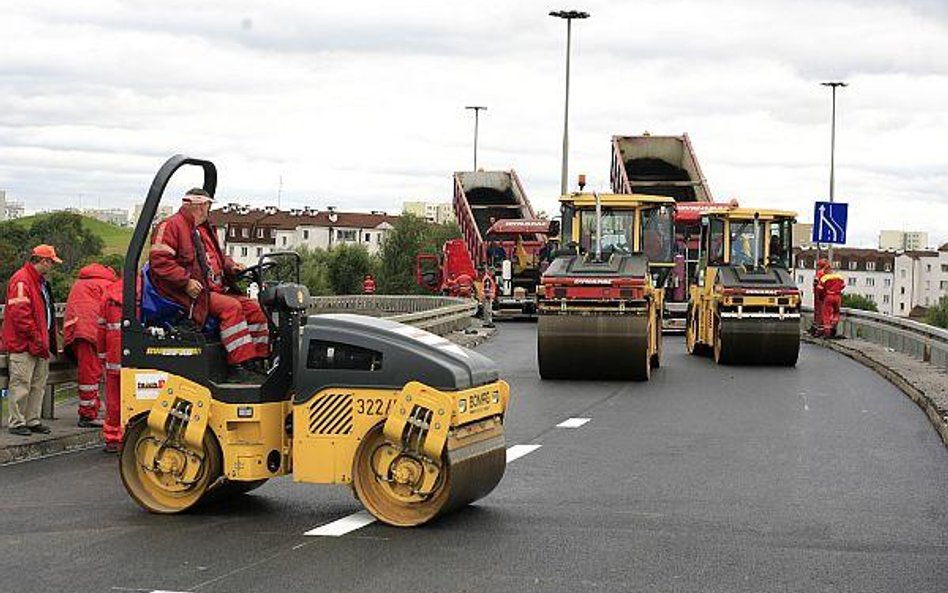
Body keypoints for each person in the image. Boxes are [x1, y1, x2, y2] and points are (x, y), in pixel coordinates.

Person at [148, 188, 268, 375]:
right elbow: (160, 262)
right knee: (231, 307)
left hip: (214, 290)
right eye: (206, 205)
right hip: (188, 293)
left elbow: (216, 257)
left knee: (255, 309)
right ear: (196, 205)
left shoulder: (204, 230)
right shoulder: (171, 226)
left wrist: (231, 266)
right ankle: (238, 364)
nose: (208, 209)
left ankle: (257, 361)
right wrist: (186, 282)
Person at [2, 245, 61, 436]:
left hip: (38, 342)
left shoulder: (37, 281)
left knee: (37, 384)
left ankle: (32, 419)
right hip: (25, 344)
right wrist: (36, 338)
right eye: (51, 262)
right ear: (44, 261)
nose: (52, 266)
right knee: (21, 383)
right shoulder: (22, 280)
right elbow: (21, 315)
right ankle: (17, 422)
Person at [64, 263, 117, 428]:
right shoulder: (106, 284)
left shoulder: (82, 282)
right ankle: (88, 414)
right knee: (91, 374)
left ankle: (91, 409)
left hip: (77, 330)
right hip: (91, 332)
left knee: (88, 373)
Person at [97, 278, 124, 452]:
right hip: (139, 357)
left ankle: (113, 438)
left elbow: (101, 329)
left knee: (113, 400)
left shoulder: (109, 293)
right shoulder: (146, 290)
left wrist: (102, 357)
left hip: (114, 356)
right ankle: (130, 437)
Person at [816, 262, 845, 338]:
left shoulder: (824, 278)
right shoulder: (839, 276)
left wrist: (821, 297)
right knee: (836, 312)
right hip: (838, 297)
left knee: (826, 315)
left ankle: (827, 333)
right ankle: (834, 326)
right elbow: (843, 286)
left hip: (828, 296)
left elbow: (819, 289)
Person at [810, 258, 830, 336]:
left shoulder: (820, 273)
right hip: (826, 294)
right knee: (825, 312)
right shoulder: (828, 273)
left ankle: (819, 329)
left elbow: (816, 283)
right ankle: (824, 329)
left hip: (819, 295)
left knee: (819, 312)